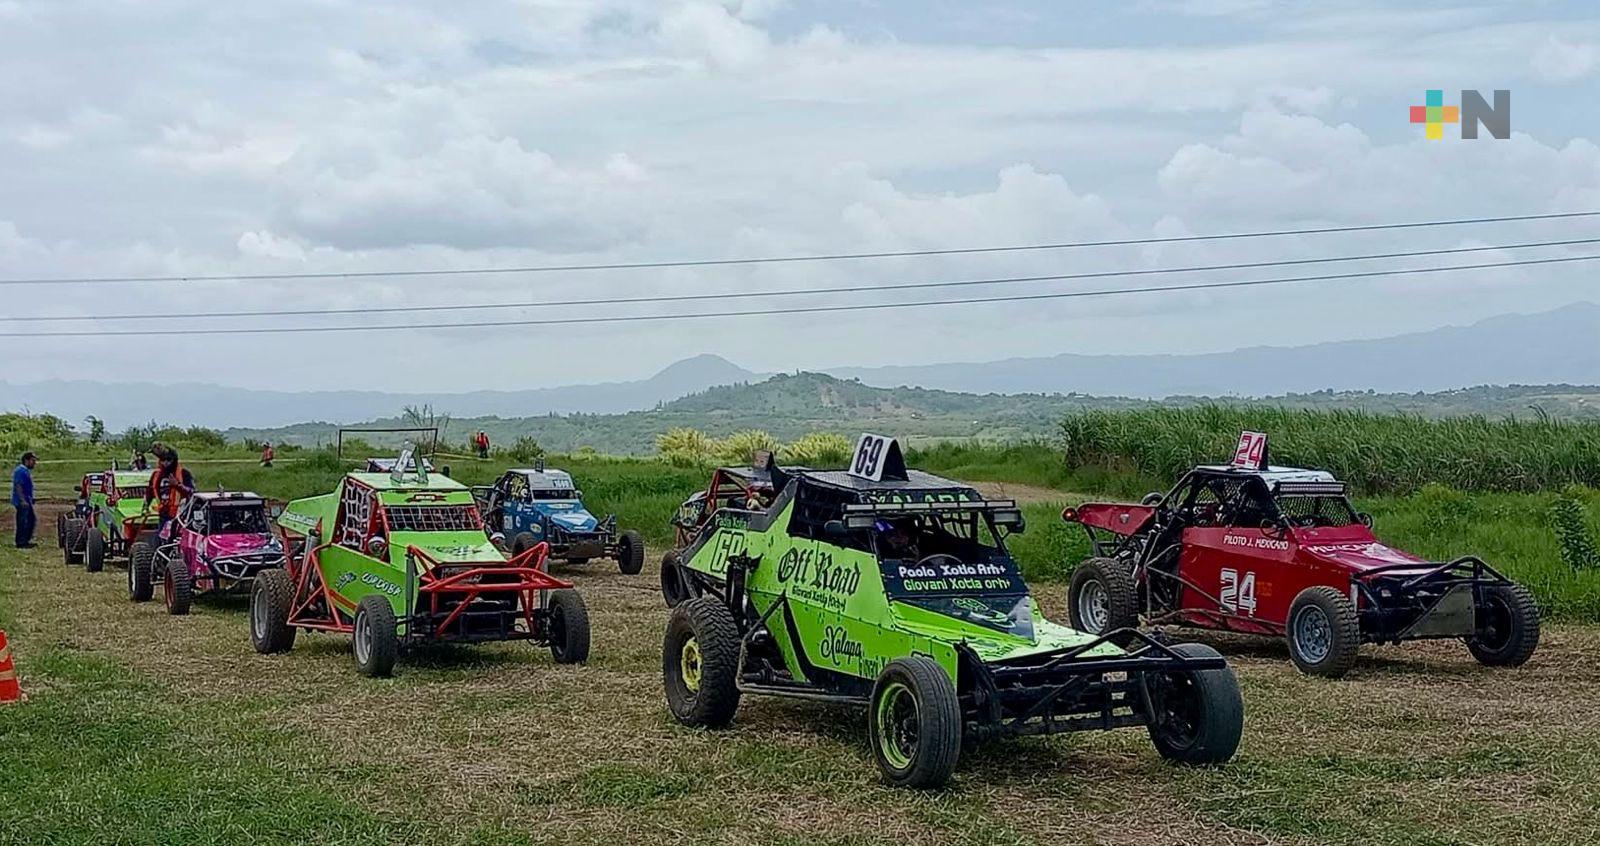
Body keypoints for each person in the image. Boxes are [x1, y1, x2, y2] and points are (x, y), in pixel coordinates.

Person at [145, 446, 195, 537]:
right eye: (163, 460)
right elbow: (149, 492)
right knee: (162, 539)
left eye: (169, 460)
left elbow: (192, 492)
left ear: (174, 460)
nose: (166, 463)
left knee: (176, 541)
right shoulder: (156, 475)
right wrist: (145, 506)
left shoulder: (184, 474)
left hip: (180, 516)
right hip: (163, 514)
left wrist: (177, 485)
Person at [11, 451, 38, 549]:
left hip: (27, 500)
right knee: (23, 521)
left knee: (30, 520)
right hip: (22, 501)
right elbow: (18, 486)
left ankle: (25, 540)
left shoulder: (25, 471)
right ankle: (21, 542)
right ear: (26, 460)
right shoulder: (20, 471)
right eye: (33, 461)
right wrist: (22, 500)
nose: (34, 463)